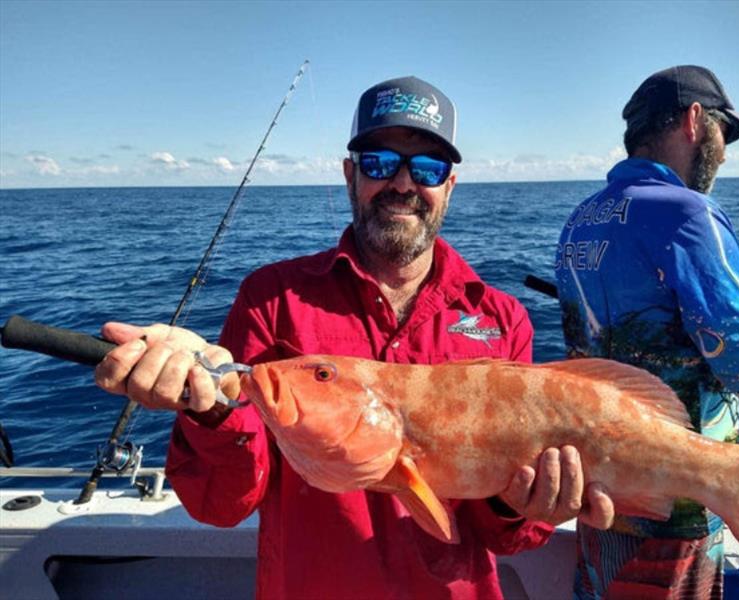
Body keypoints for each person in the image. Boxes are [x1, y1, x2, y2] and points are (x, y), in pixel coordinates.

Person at [96, 76, 614, 600]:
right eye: (379, 162)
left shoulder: (502, 319)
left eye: (428, 168)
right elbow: (220, 505)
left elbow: (508, 537)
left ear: (449, 187)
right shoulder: (271, 299)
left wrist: (520, 504)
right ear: (351, 175)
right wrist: (210, 412)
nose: (404, 184)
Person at [554, 65, 739, 599]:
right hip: (675, 502)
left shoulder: (580, 220)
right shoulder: (688, 214)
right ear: (694, 120)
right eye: (724, 134)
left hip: (599, 494)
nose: (724, 152)